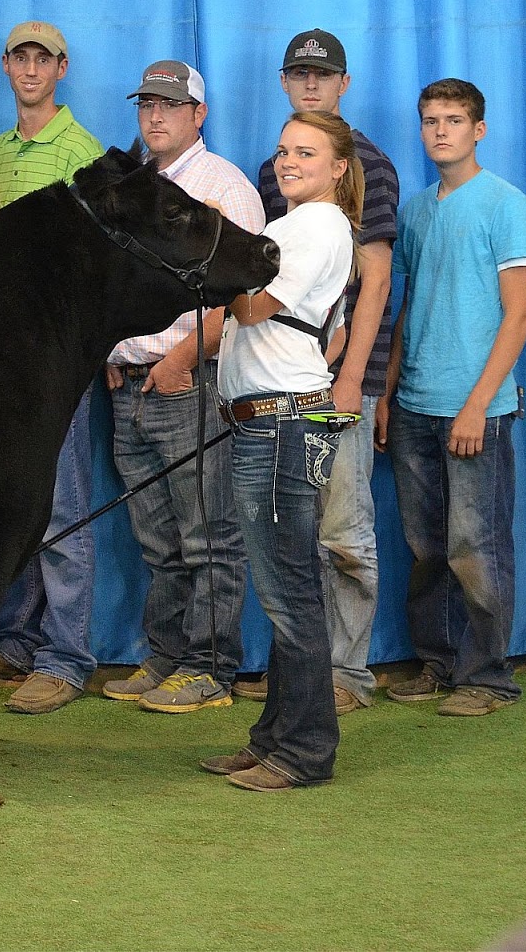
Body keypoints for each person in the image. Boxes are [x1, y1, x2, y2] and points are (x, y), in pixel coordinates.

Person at [243, 29, 400, 713]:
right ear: (284, 83)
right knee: (292, 535)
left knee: (343, 528)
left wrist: (353, 378)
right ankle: (304, 676)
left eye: (322, 74)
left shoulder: (370, 164)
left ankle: (348, 673)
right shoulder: (272, 171)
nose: (311, 83)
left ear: (344, 83)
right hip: (286, 377)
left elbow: (375, 279)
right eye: (299, 74)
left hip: (334, 377)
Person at [101, 62, 265, 713]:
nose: (155, 116)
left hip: (187, 380)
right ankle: (166, 655)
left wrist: (180, 359)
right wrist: (108, 347)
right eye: (146, 104)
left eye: (170, 105)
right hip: (130, 384)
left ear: (199, 114)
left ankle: (211, 667)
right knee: (157, 538)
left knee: (207, 534)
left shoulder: (223, 185)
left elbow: (238, 292)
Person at [204, 110, 359, 791]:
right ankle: (275, 738)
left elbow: (253, 307)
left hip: (279, 425)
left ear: (338, 167)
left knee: (290, 592)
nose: (288, 161)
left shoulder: (317, 225)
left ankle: (303, 751)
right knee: (284, 588)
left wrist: (214, 242)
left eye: (306, 151)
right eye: (282, 150)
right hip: (275, 420)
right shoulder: (292, 225)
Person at [379, 78, 526, 717]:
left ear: (480, 129)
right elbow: (408, 305)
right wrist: (388, 395)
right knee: (427, 548)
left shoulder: (506, 204)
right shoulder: (416, 211)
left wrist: (478, 403)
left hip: (476, 408)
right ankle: (438, 663)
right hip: (416, 402)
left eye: (453, 119)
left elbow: (519, 314)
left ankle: (490, 676)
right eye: (429, 120)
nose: (440, 130)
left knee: (476, 547)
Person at [0, 21, 103, 714]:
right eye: (20, 57)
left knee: (62, 506)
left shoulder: (82, 151)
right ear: (6, 66)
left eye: (43, 59)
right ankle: (19, 639)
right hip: (2, 362)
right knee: (16, 504)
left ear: (61, 68)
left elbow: (90, 265)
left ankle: (66, 654)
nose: (31, 69)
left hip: (56, 357)